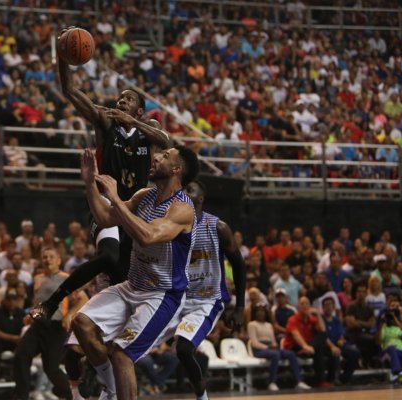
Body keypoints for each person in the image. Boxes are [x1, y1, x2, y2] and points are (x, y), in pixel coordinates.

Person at [30, 32, 171, 319]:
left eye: (128, 99)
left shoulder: (149, 130)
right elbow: (69, 90)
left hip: (136, 208)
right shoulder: (105, 120)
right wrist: (62, 58)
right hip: (106, 204)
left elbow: (167, 141)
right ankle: (53, 302)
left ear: (140, 111)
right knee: (107, 256)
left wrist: (135, 123)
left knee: (123, 270)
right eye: (119, 98)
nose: (121, 102)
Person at [73, 146, 198, 400]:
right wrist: (89, 185)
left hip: (163, 295)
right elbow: (107, 218)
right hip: (133, 285)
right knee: (82, 323)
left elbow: (148, 236)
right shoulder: (145, 196)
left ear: (177, 170)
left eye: (165, 157)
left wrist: (116, 198)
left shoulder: (182, 209)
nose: (156, 157)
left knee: (122, 354)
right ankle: (110, 388)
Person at [161, 180, 246, 400]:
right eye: (182, 191)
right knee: (130, 344)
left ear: (200, 199)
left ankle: (202, 396)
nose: (183, 194)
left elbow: (239, 265)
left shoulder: (217, 227)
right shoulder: (170, 227)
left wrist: (240, 307)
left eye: (189, 190)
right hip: (176, 298)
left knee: (184, 349)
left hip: (206, 301)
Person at [13, 248, 74, 400]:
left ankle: (72, 396)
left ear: (59, 260)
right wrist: (31, 315)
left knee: (51, 369)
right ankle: (22, 396)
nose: (47, 259)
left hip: (56, 327)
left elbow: (83, 299)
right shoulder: (38, 278)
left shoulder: (66, 277)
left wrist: (69, 315)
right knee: (21, 354)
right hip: (38, 325)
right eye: (45, 257)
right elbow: (41, 303)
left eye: (51, 256)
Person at [247, 305, 310, 390]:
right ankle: (271, 382)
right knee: (275, 355)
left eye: (262, 311)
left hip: (271, 348)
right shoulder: (251, 324)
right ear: (255, 313)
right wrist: (267, 347)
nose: (260, 313)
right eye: (258, 311)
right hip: (259, 349)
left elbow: (273, 340)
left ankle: (298, 381)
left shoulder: (269, 325)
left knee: (290, 354)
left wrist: (274, 345)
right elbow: (254, 343)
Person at [282, 296, 331, 387]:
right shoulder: (292, 319)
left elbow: (322, 330)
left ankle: (321, 381)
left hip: (309, 347)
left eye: (306, 303)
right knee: (317, 348)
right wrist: (305, 346)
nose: (304, 306)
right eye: (302, 304)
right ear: (298, 306)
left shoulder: (311, 318)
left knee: (322, 342)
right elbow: (296, 336)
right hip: (294, 347)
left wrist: (318, 314)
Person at [0, 288, 24, 379]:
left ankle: (22, 372)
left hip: (15, 342)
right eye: (9, 300)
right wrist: (12, 338)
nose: (11, 302)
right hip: (1, 342)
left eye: (14, 300)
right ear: (4, 300)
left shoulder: (20, 313)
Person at [321, 297, 360, 384]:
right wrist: (332, 346)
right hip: (326, 345)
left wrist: (341, 340)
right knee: (335, 353)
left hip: (337, 343)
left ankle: (345, 377)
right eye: (326, 305)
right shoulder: (321, 320)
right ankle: (333, 379)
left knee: (354, 352)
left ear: (334, 307)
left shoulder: (336, 320)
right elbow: (323, 336)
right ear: (323, 308)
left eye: (331, 305)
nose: (329, 307)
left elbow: (341, 333)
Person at [378, 295, 402, 383]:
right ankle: (399, 372)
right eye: (393, 307)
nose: (396, 313)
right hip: (387, 352)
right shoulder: (385, 327)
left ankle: (398, 372)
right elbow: (378, 341)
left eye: (400, 312)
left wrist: (397, 322)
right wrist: (381, 323)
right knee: (392, 347)